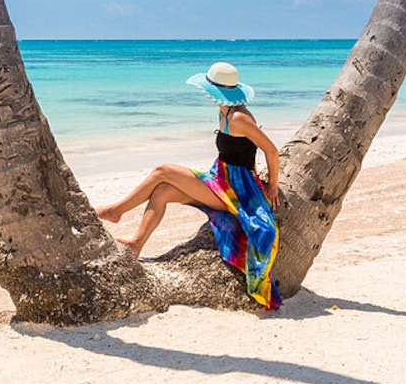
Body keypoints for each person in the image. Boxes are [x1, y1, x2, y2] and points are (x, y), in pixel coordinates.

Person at [95, 61, 282, 309]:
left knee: (162, 171)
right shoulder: (224, 111)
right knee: (162, 191)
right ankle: (136, 243)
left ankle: (115, 210)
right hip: (220, 177)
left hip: (236, 191)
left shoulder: (239, 118)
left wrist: (272, 185)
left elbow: (271, 150)